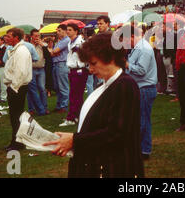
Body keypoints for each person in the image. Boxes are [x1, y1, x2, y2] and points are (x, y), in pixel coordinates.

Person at [43, 32, 144, 178]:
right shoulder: (105, 86)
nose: (90, 69)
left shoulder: (125, 85)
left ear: (111, 58)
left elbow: (118, 132)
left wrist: (74, 140)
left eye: (93, 63)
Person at [120, 25, 158, 160]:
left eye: (124, 39)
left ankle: (144, 150)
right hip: (140, 88)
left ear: (131, 36)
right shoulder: (136, 48)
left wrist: (126, 65)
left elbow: (141, 71)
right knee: (139, 120)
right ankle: (141, 148)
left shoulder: (144, 49)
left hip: (145, 89)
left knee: (142, 121)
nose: (123, 42)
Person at [4, 28, 33, 151]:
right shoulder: (16, 49)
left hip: (18, 87)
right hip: (16, 86)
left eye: (9, 36)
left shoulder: (21, 51)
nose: (6, 38)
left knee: (16, 116)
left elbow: (20, 72)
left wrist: (14, 87)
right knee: (15, 116)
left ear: (16, 37)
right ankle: (16, 141)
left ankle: (17, 143)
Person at [60, 23, 89, 127]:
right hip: (72, 70)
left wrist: (80, 51)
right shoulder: (70, 42)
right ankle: (78, 115)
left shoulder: (80, 42)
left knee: (75, 95)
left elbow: (87, 55)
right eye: (67, 30)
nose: (67, 31)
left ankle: (71, 118)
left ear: (76, 31)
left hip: (79, 71)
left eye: (70, 30)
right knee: (76, 95)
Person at [27, 29, 51, 116]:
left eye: (39, 36)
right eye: (36, 36)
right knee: (31, 90)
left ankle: (44, 107)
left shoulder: (43, 45)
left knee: (42, 89)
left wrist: (42, 45)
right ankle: (31, 108)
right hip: (31, 69)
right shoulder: (28, 46)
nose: (37, 37)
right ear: (31, 37)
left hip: (41, 69)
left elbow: (48, 56)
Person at [51, 24, 70, 113]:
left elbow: (54, 51)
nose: (57, 32)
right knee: (57, 87)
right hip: (56, 64)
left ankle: (64, 106)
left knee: (63, 86)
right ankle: (59, 105)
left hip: (62, 64)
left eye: (59, 31)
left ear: (64, 31)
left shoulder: (66, 40)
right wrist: (54, 52)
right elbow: (53, 52)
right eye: (57, 31)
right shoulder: (60, 41)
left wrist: (54, 52)